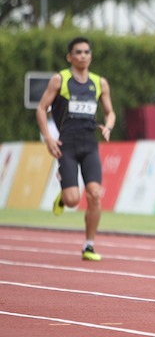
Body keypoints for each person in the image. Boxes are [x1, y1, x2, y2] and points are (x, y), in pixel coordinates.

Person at [36, 36, 116, 261]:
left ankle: (89, 245)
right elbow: (41, 109)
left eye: (86, 52)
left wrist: (108, 127)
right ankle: (63, 196)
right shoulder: (59, 80)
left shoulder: (100, 83)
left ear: (90, 56)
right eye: (78, 52)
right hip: (67, 145)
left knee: (95, 194)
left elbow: (110, 112)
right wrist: (48, 138)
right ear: (69, 57)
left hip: (90, 144)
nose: (83, 55)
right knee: (73, 200)